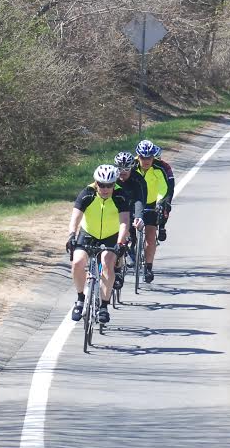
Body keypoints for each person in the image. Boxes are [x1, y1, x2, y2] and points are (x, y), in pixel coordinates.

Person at [65, 164, 131, 324]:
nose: (105, 189)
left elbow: (124, 221)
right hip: (88, 234)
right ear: (96, 182)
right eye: (101, 185)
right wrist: (72, 235)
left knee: (107, 263)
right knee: (78, 263)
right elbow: (75, 218)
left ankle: (103, 306)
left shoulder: (120, 196)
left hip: (111, 235)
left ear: (115, 184)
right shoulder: (87, 193)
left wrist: (121, 242)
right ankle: (80, 299)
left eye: (109, 185)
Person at [134, 139, 175, 282]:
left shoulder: (159, 168)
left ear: (154, 157)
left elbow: (165, 188)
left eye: (149, 158)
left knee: (150, 237)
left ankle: (148, 268)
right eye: (143, 158)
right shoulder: (131, 167)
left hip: (151, 203)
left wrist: (160, 203)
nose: (146, 161)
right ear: (138, 157)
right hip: (134, 203)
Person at [111, 151, 147, 290]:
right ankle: (118, 267)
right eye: (119, 168)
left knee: (131, 225)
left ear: (132, 167)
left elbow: (140, 201)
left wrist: (139, 217)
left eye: (126, 169)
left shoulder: (138, 180)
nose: (122, 172)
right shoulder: (111, 178)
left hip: (132, 206)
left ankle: (130, 247)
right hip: (114, 208)